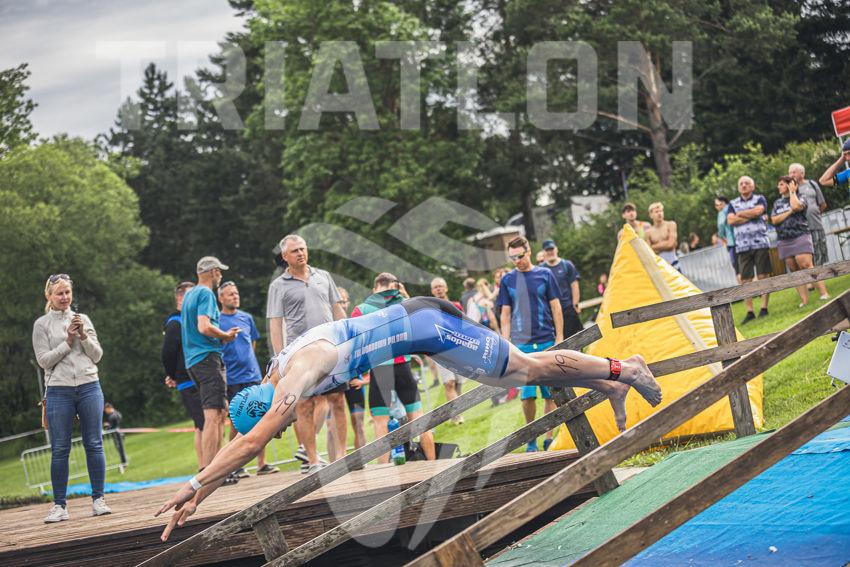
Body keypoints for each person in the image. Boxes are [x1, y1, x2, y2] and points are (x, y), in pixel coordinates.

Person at [155, 296, 663, 539]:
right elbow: (246, 438)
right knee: (513, 373)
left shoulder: (296, 376)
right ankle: (607, 382)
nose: (286, 426)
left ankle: (625, 368)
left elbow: (248, 444)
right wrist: (201, 494)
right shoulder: (277, 370)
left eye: (279, 424)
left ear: (267, 406)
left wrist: (194, 485)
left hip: (429, 327)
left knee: (523, 368)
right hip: (420, 325)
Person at [33, 274, 112, 523]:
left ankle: (99, 500)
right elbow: (43, 361)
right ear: (49, 296)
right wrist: (68, 341)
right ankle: (59, 506)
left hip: (89, 386)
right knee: (60, 449)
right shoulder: (42, 325)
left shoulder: (83, 319)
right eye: (59, 293)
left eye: (67, 292)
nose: (64, 297)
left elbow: (97, 355)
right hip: (59, 390)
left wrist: (83, 336)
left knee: (94, 444)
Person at [266, 235, 348, 473]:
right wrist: (279, 358)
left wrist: (349, 341)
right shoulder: (278, 286)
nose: (300, 253)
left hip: (331, 348)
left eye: (303, 249)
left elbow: (337, 309)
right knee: (304, 406)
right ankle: (312, 461)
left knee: (338, 401)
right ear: (285, 256)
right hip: (300, 354)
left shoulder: (323, 276)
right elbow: (275, 323)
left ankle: (342, 457)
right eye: (295, 251)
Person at [352, 273, 436, 463]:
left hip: (380, 369)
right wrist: (404, 295)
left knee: (380, 424)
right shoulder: (405, 304)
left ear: (375, 289)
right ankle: (434, 466)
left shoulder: (361, 309)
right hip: (403, 366)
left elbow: (355, 343)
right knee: (418, 419)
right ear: (395, 287)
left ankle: (383, 473)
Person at [497, 236, 564, 452]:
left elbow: (556, 307)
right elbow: (505, 314)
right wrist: (506, 342)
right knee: (527, 395)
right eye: (512, 258)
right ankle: (531, 438)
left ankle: (548, 437)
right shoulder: (507, 280)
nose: (517, 261)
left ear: (529, 251)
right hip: (521, 345)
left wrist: (559, 337)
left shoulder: (545, 274)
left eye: (520, 256)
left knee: (550, 393)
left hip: (546, 340)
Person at [182, 257, 240, 469]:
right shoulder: (206, 293)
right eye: (219, 271)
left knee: (219, 412)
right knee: (213, 416)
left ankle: (215, 468)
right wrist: (226, 335)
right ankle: (210, 471)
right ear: (213, 272)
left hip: (194, 361)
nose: (221, 275)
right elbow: (204, 327)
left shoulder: (189, 295)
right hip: (207, 358)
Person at [219, 281, 278, 477]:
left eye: (236, 293)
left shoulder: (246, 317)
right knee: (236, 422)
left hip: (252, 375)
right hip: (231, 378)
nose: (235, 296)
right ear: (221, 298)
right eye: (230, 294)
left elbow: (252, 343)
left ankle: (262, 464)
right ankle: (236, 466)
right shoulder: (216, 321)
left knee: (261, 418)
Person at [161, 281, 205, 469]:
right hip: (188, 380)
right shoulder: (175, 323)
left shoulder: (191, 320)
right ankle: (207, 468)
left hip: (198, 377)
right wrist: (171, 375)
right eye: (191, 295)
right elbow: (168, 352)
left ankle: (207, 467)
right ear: (180, 299)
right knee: (204, 424)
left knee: (203, 424)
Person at [728, 176, 772, 323]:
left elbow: (759, 211)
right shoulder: (732, 203)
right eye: (741, 183)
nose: (744, 185)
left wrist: (740, 214)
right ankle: (750, 311)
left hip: (761, 244)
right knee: (745, 279)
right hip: (742, 246)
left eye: (747, 183)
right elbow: (730, 220)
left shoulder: (760, 198)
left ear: (752, 186)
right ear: (738, 187)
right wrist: (751, 215)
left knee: (763, 275)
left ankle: (764, 308)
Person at [770, 176, 817, 307]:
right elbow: (774, 220)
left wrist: (792, 192)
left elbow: (796, 206)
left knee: (806, 264)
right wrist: (790, 211)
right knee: (793, 268)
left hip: (800, 235)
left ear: (790, 184)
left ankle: (824, 293)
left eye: (781, 184)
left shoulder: (801, 197)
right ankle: (804, 301)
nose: (778, 186)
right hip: (784, 239)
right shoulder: (777, 203)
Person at [788, 162, 830, 300]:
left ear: (802, 173)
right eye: (789, 172)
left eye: (793, 172)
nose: (791, 175)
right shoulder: (790, 190)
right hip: (801, 231)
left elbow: (822, 204)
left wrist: (815, 214)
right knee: (806, 258)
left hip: (816, 225)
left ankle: (818, 282)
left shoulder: (812, 184)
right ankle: (811, 283)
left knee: (819, 255)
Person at [428, 277, 466, 424]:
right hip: (440, 351)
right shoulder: (430, 309)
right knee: (449, 382)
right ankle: (458, 416)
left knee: (458, 383)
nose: (438, 289)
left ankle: (455, 412)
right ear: (432, 291)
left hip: (457, 349)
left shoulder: (456, 305)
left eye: (440, 286)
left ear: (446, 288)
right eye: (435, 287)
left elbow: (464, 326)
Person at [338, 287, 367, 451]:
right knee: (334, 426)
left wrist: (365, 378)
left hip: (354, 380)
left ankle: (361, 460)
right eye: (339, 301)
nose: (342, 305)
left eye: (344, 301)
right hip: (334, 382)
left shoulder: (354, 325)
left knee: (359, 423)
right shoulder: (327, 325)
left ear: (348, 303)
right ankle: (338, 461)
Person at [540, 239, 583, 338]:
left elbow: (574, 286)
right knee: (557, 340)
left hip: (567, 309)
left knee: (573, 339)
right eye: (547, 250)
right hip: (551, 312)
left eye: (551, 249)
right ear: (543, 252)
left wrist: (575, 304)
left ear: (556, 249)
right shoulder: (541, 269)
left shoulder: (567, 265)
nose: (550, 252)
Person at [645, 202, 679, 270]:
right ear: (651, 215)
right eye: (656, 212)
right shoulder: (648, 232)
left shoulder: (671, 225)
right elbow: (649, 252)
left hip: (674, 263)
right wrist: (666, 243)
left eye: (661, 211)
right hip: (660, 268)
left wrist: (653, 247)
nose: (659, 213)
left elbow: (671, 245)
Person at [715, 196, 739, 278]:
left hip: (732, 242)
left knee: (738, 270)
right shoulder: (735, 207)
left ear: (722, 203)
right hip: (742, 240)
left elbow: (721, 226)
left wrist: (722, 238)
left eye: (717, 204)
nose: (716, 207)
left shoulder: (722, 212)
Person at [103, 402, 127, 467]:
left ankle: (124, 463)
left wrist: (107, 427)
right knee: (120, 449)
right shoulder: (117, 413)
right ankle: (124, 462)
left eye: (105, 409)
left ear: (109, 408)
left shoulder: (112, 416)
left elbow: (113, 427)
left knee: (120, 449)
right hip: (119, 433)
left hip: (117, 434)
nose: (105, 411)